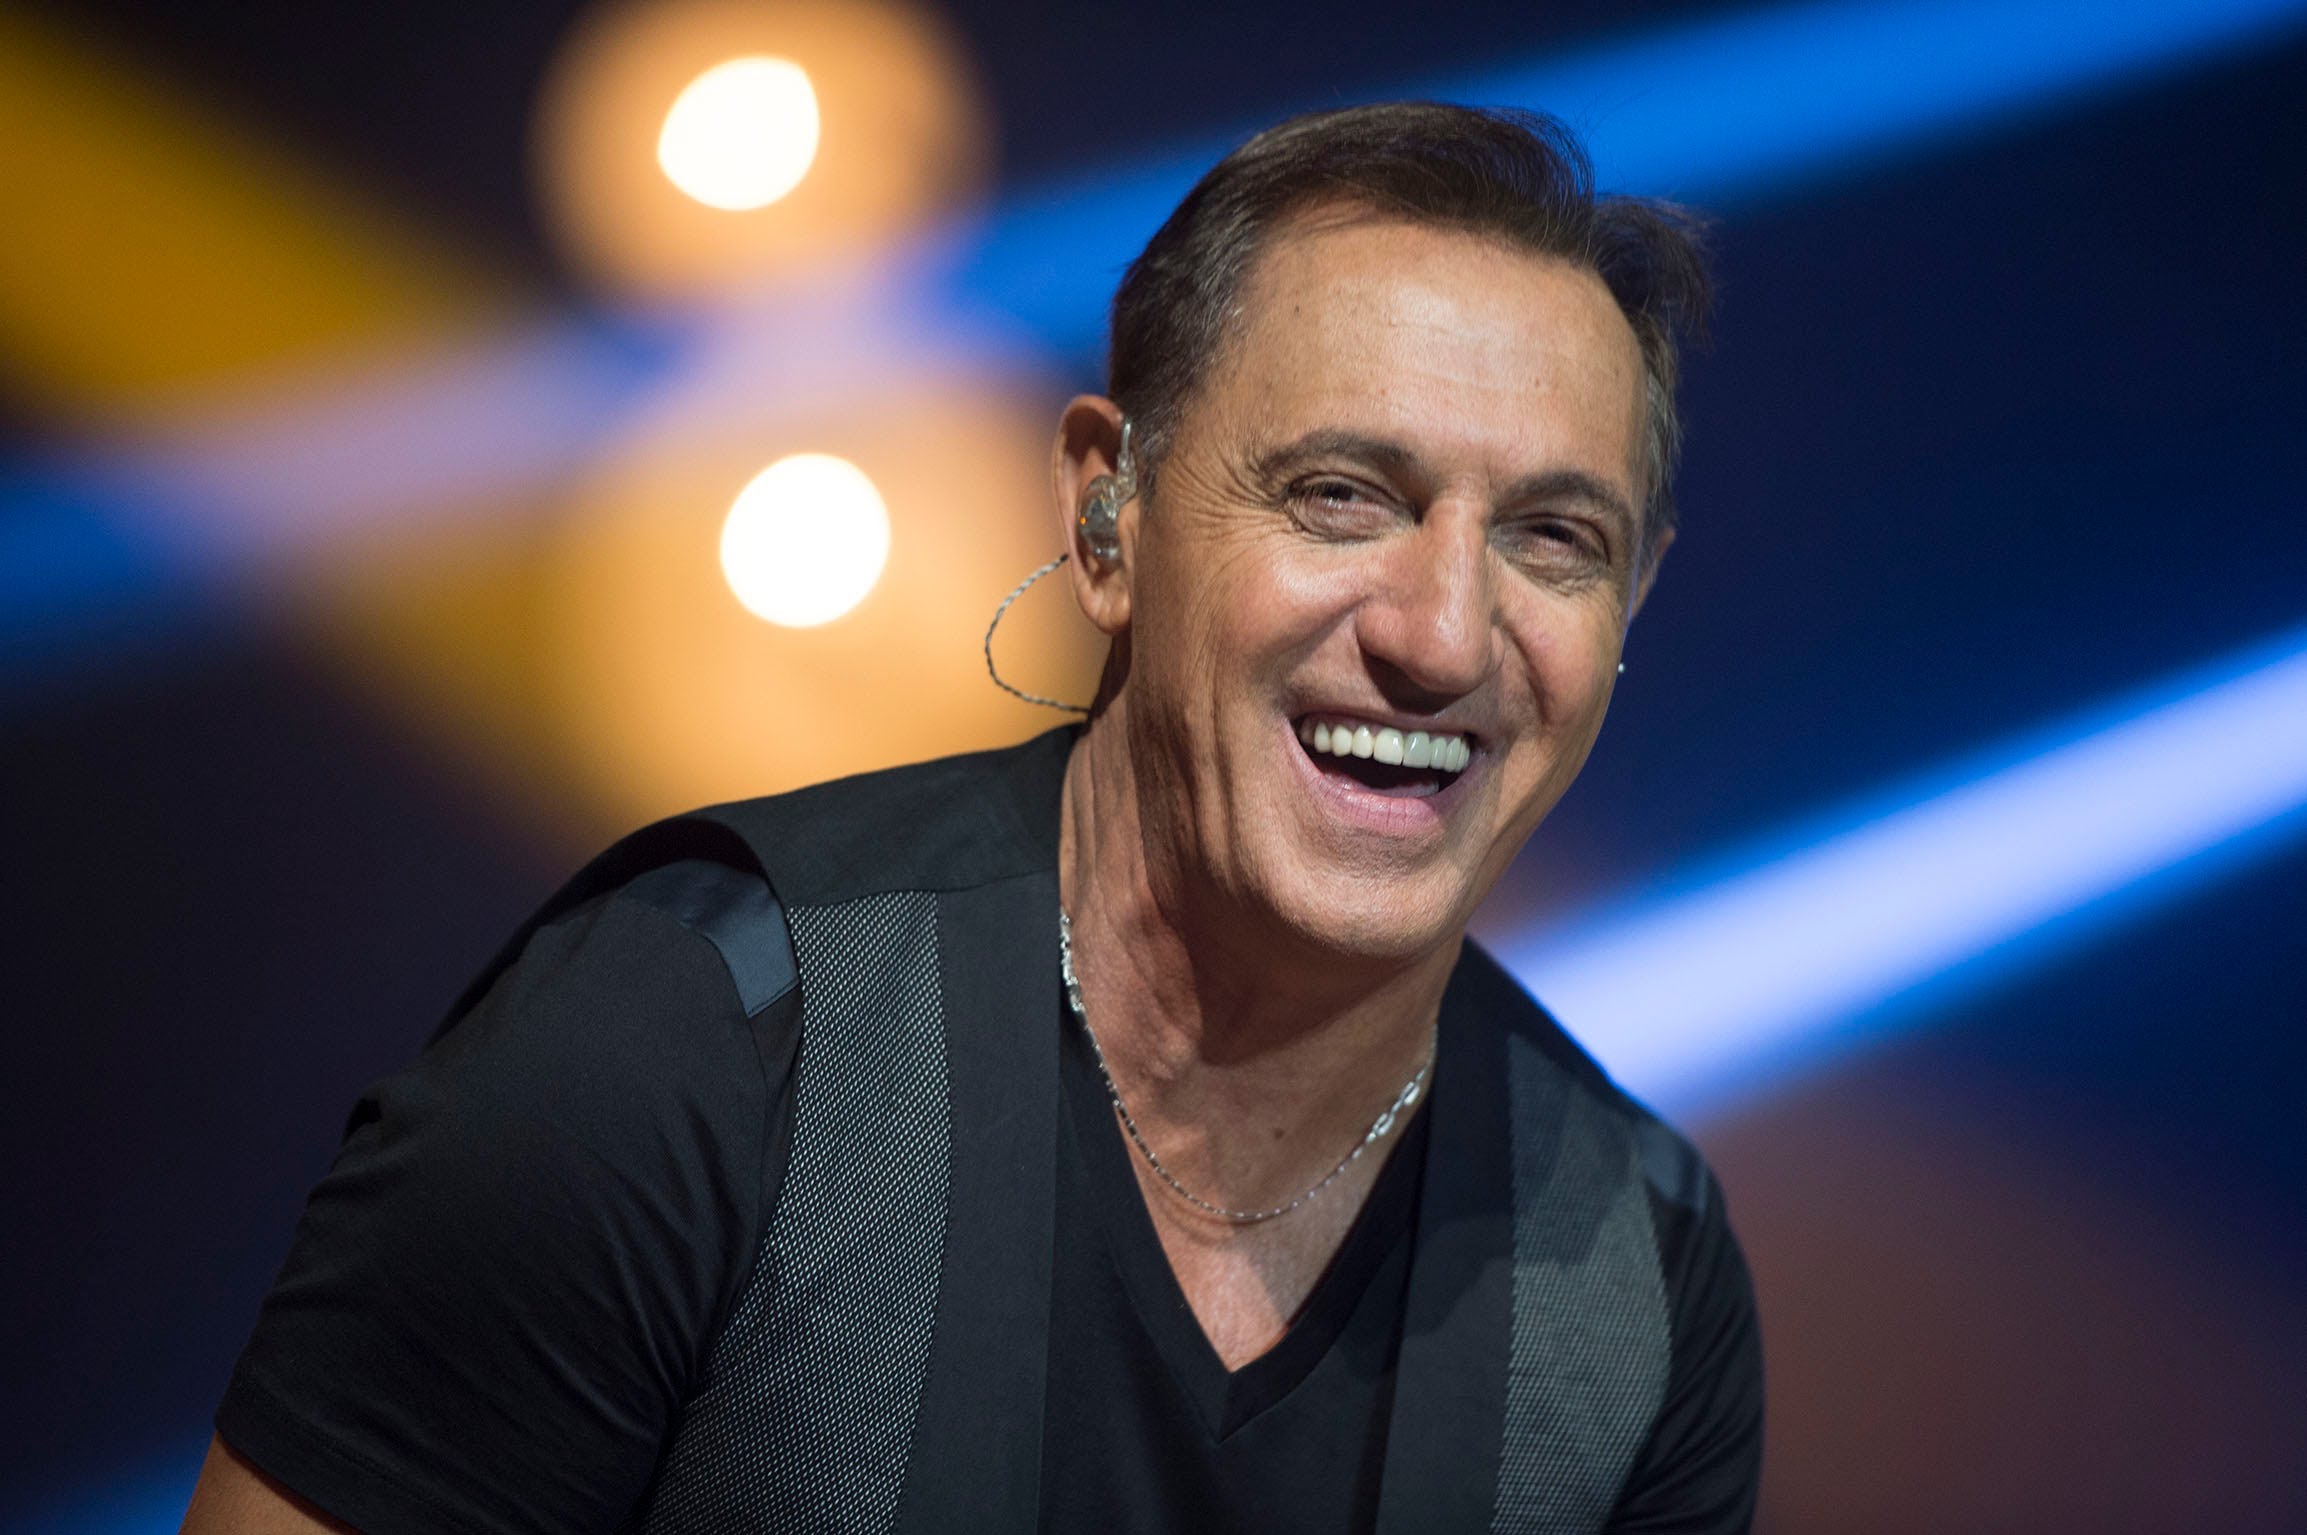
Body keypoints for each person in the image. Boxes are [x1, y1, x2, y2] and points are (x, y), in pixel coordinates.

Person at [184, 102, 1761, 1534]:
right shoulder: (678, 1054)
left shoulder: (1636, 1271)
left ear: (1632, 602)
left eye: (1554, 537)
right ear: (1105, 515)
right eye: (1342, 495)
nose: (1442, 633)